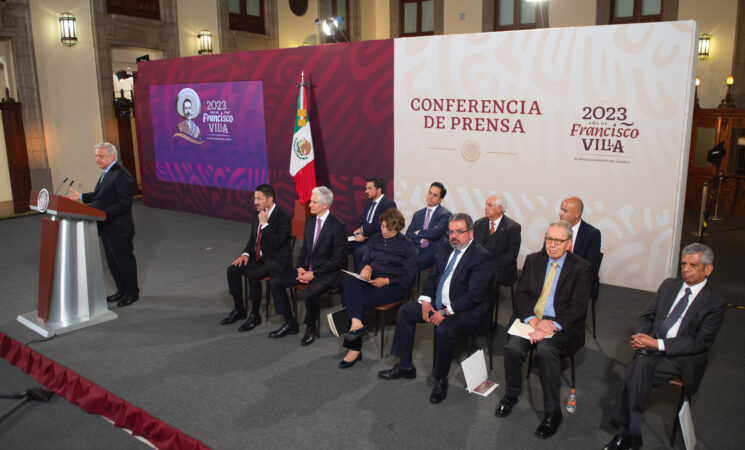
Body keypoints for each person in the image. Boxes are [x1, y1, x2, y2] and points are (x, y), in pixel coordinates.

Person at [603, 243, 726, 450]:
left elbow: (699, 342)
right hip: (652, 347)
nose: (685, 269)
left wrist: (657, 343)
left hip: (680, 358)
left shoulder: (715, 303)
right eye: (683, 263)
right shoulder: (669, 285)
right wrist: (641, 335)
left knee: (635, 370)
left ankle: (626, 432)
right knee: (640, 366)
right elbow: (647, 316)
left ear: (708, 269)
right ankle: (632, 433)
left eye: (693, 265)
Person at [378, 213, 494, 404]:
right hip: (438, 304)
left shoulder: (482, 257)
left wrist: (446, 312)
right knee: (406, 311)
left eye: (459, 232)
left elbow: (475, 295)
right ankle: (405, 366)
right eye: (451, 232)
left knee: (445, 329)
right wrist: (425, 301)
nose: (454, 236)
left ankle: (440, 379)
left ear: (471, 233)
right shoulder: (448, 247)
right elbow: (433, 277)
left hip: (464, 310)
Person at [496, 220, 591, 439]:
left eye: (558, 241)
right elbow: (520, 295)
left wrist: (551, 326)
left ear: (569, 243)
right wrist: (533, 321)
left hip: (560, 323)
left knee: (546, 350)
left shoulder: (581, 267)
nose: (552, 245)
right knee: (513, 347)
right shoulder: (533, 260)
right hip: (532, 319)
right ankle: (511, 395)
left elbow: (578, 307)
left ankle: (552, 412)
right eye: (549, 239)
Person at [268, 186, 347, 346]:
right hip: (307, 270)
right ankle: (290, 323)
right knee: (275, 282)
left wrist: (315, 273)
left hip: (327, 273)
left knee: (310, 293)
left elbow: (338, 260)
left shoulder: (338, 226)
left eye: (313, 202)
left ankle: (310, 328)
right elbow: (304, 250)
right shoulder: (310, 221)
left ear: (325, 205)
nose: (309, 204)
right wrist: (300, 268)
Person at [340, 209, 418, 368]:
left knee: (356, 300)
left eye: (389, 229)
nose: (385, 231)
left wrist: (387, 281)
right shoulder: (375, 239)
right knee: (349, 282)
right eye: (382, 227)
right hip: (370, 280)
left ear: (398, 228)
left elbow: (409, 278)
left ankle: (354, 349)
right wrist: (366, 267)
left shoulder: (407, 246)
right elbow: (364, 261)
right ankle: (357, 323)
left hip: (394, 286)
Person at [67, 142, 139, 307]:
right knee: (113, 263)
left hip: (119, 228)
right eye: (96, 156)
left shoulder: (121, 175)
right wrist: (81, 197)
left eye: (101, 156)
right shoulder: (107, 173)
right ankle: (121, 290)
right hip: (106, 227)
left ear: (112, 156)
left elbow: (125, 203)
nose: (97, 159)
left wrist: (103, 214)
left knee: (124, 262)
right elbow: (102, 195)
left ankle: (131, 293)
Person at [221, 184, 292, 332]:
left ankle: (254, 314)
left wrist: (265, 224)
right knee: (232, 270)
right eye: (254, 198)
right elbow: (252, 239)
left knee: (253, 274)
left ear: (270, 199)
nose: (255, 202)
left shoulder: (283, 217)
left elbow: (278, 244)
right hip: (258, 257)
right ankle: (239, 309)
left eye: (259, 198)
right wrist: (245, 254)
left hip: (276, 260)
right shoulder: (257, 213)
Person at [473, 194, 521, 323]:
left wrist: (490, 267)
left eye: (489, 205)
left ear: (500, 209)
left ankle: (484, 321)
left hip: (501, 268)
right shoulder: (479, 223)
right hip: (480, 265)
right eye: (486, 204)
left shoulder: (513, 227)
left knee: (488, 280)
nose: (485, 208)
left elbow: (511, 255)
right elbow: (474, 248)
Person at [559, 196, 601, 302]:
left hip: (578, 278)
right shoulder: (556, 229)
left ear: (577, 214)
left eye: (565, 211)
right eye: (561, 209)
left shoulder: (592, 234)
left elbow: (590, 266)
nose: (560, 213)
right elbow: (544, 254)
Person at [349, 176, 397, 270]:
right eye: (366, 188)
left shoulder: (389, 204)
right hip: (365, 238)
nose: (366, 191)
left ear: (379, 190)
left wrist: (363, 230)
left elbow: (384, 225)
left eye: (369, 188)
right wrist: (360, 233)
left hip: (380, 240)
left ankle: (360, 277)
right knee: (342, 247)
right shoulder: (369, 204)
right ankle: (349, 277)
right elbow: (363, 222)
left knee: (359, 252)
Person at [405, 181, 452, 270]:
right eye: (429, 193)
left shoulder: (445, 215)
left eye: (435, 195)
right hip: (416, 246)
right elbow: (408, 234)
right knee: (399, 259)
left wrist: (418, 232)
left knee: (413, 264)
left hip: (433, 250)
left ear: (441, 199)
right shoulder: (418, 214)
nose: (430, 197)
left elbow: (434, 234)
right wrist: (421, 240)